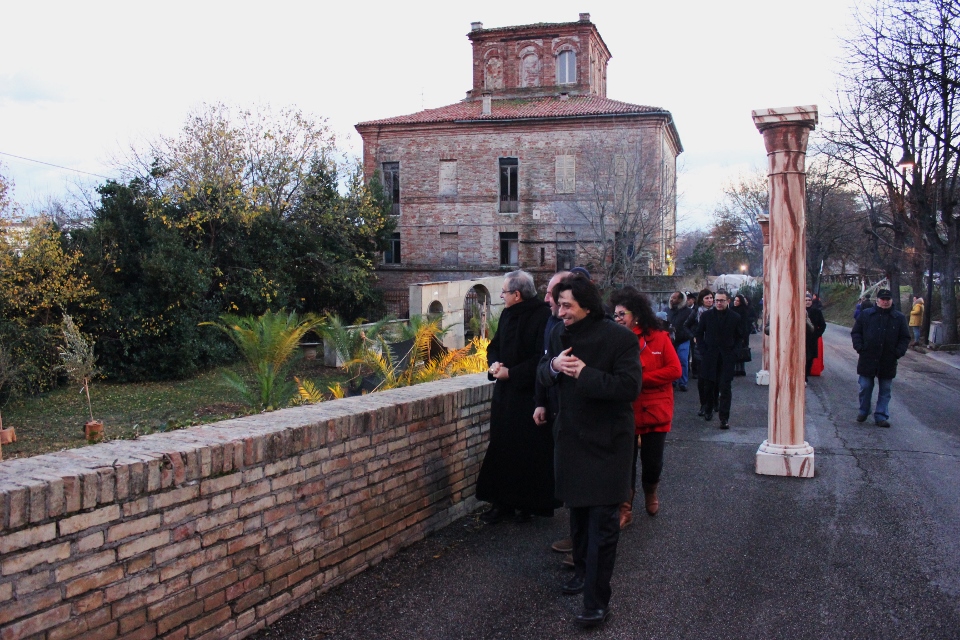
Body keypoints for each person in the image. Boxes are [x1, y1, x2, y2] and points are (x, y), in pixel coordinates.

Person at [537, 275, 641, 629]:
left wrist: (585, 374)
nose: (560, 312)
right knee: (578, 517)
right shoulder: (557, 333)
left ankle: (597, 603)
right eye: (558, 305)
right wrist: (554, 367)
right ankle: (581, 573)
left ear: (586, 305)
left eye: (567, 306)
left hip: (608, 443)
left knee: (603, 525)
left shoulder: (620, 338)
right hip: (571, 439)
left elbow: (629, 387)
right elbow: (542, 371)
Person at [477, 270, 553, 523]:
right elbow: (495, 345)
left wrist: (512, 373)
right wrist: (494, 364)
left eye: (504, 292)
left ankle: (526, 504)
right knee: (501, 446)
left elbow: (541, 358)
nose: (502, 296)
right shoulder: (508, 314)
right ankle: (501, 503)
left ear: (517, 294)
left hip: (528, 394)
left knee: (527, 450)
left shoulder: (542, 316)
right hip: (505, 394)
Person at [610, 288, 681, 528]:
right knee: (624, 463)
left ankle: (651, 491)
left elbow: (675, 370)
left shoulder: (659, 338)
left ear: (637, 315)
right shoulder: (615, 340)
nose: (618, 318)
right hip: (625, 411)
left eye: (622, 314)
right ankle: (625, 508)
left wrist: (640, 379)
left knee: (652, 463)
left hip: (654, 411)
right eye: (615, 314)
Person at [533, 270, 572, 556]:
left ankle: (584, 545)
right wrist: (541, 401)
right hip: (557, 409)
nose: (547, 299)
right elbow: (543, 364)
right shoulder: (551, 323)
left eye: (552, 294)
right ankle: (577, 535)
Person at [851, 288, 910, 428]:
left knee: (885, 390)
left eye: (887, 299)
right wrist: (860, 347)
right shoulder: (866, 315)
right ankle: (864, 410)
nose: (885, 302)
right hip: (868, 358)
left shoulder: (899, 318)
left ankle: (881, 416)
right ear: (877, 300)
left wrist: (898, 352)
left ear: (891, 300)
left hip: (888, 359)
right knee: (865, 387)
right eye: (882, 299)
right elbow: (856, 332)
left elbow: (905, 337)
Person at [695, 290, 745, 429]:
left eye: (721, 300)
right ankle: (708, 409)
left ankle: (724, 418)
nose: (718, 303)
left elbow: (739, 337)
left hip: (727, 357)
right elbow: (699, 333)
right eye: (716, 300)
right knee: (709, 385)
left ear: (728, 301)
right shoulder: (706, 316)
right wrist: (703, 350)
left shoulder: (735, 317)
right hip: (710, 356)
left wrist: (734, 353)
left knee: (725, 388)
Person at [685, 289, 714, 413]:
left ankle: (713, 402)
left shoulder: (717, 310)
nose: (709, 300)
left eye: (711, 298)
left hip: (715, 348)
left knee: (714, 378)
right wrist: (693, 337)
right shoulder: (696, 311)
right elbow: (686, 325)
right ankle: (703, 404)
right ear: (702, 300)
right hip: (700, 349)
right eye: (707, 298)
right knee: (702, 379)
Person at [667, 291, 694, 392]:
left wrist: (689, 335)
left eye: (674, 298)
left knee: (683, 360)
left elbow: (692, 325)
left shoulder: (689, 312)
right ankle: (673, 381)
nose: (672, 299)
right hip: (670, 340)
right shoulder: (668, 310)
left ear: (680, 299)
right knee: (672, 362)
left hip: (683, 340)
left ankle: (683, 382)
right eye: (671, 297)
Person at [805, 291, 827, 381]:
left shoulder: (817, 312)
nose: (807, 302)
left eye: (809, 300)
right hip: (801, 339)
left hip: (811, 339)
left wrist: (817, 334)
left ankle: (806, 375)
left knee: (809, 358)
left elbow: (823, 325)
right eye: (806, 300)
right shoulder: (799, 311)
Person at [732, 294, 755, 377]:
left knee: (741, 351)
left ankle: (741, 369)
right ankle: (735, 369)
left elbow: (744, 324)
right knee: (734, 351)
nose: (735, 302)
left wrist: (743, 335)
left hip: (741, 334)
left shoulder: (744, 311)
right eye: (735, 300)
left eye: (737, 301)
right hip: (733, 334)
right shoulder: (731, 309)